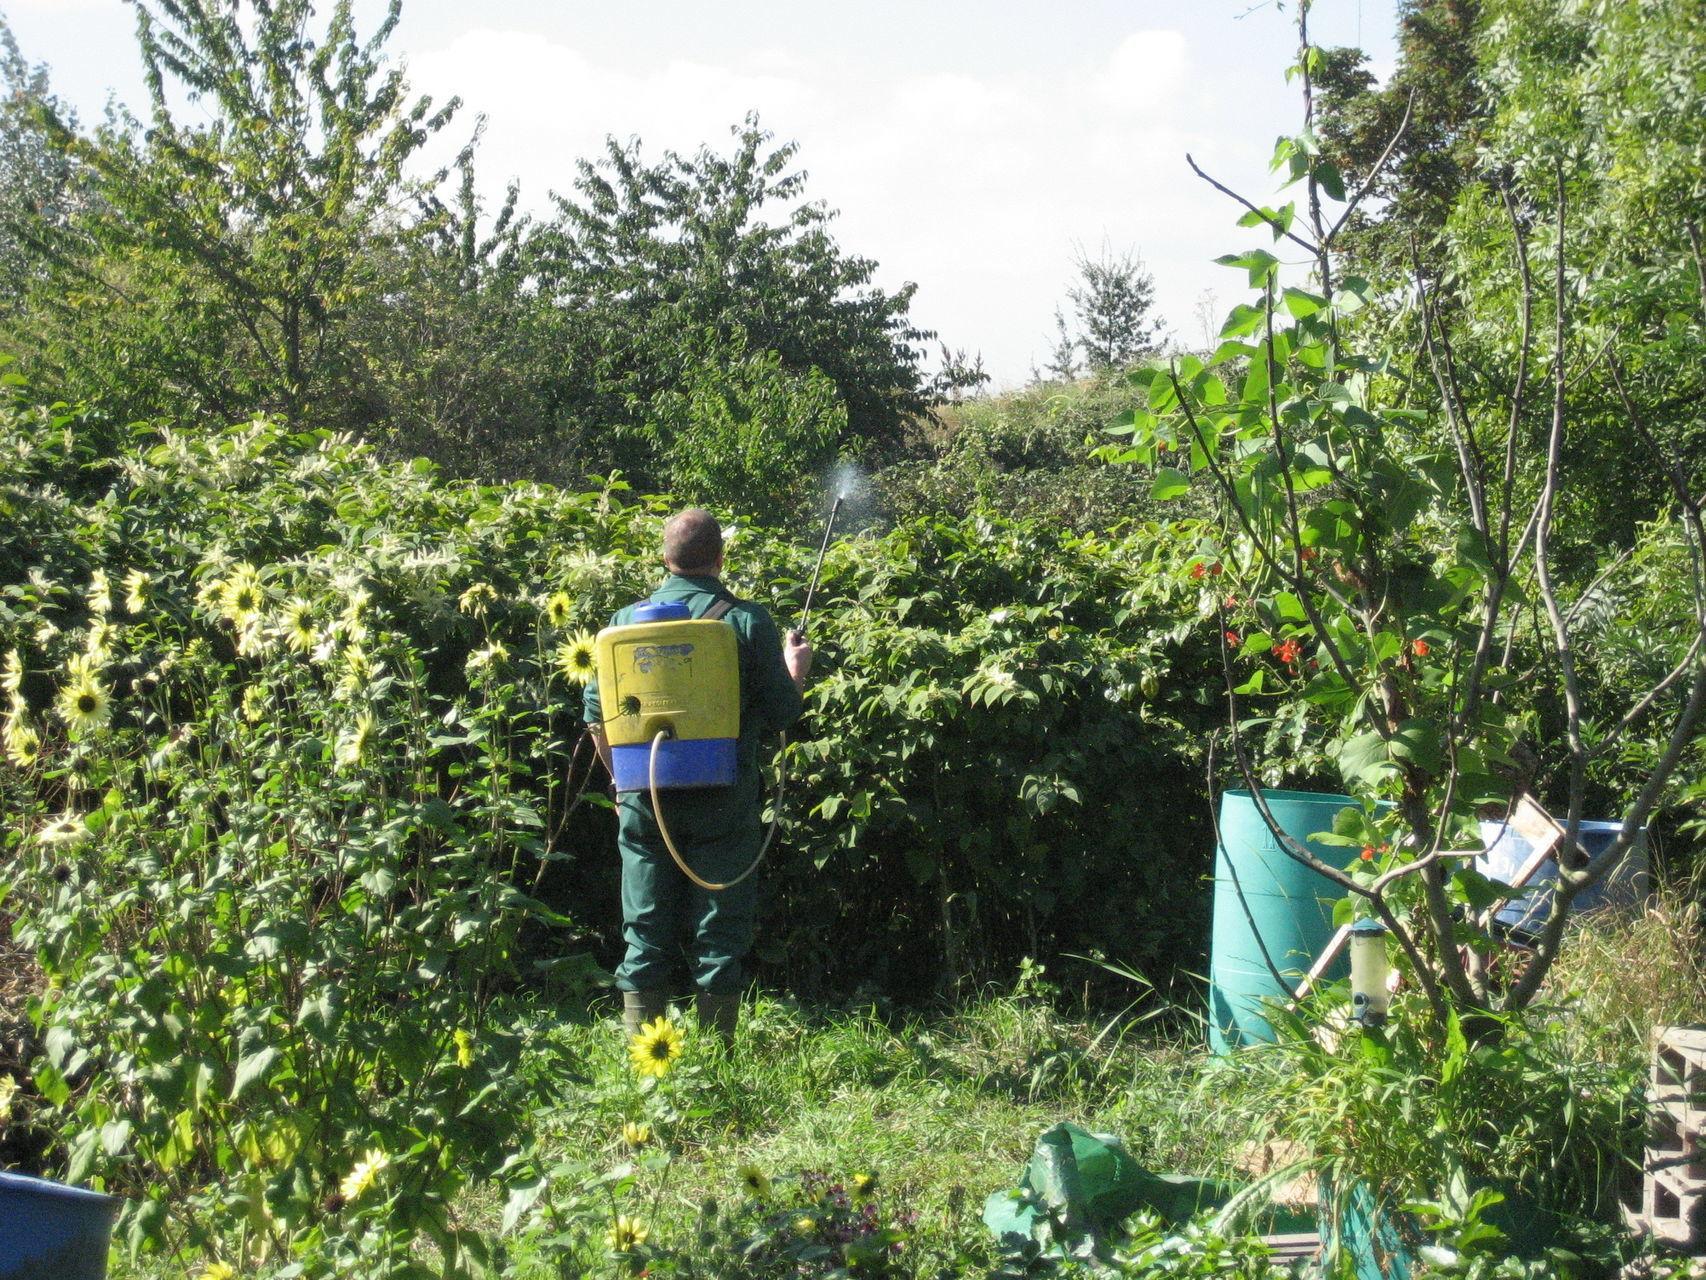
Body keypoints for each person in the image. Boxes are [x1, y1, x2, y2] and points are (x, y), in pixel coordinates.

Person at [584, 509, 812, 1042]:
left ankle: (644, 1054)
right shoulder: (746, 620)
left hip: (644, 797)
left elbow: (598, 721)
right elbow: (781, 714)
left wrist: (620, 784)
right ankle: (717, 1054)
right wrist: (796, 670)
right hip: (724, 800)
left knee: (644, 928)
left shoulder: (620, 625)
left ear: (664, 559)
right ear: (720, 557)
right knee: (721, 926)